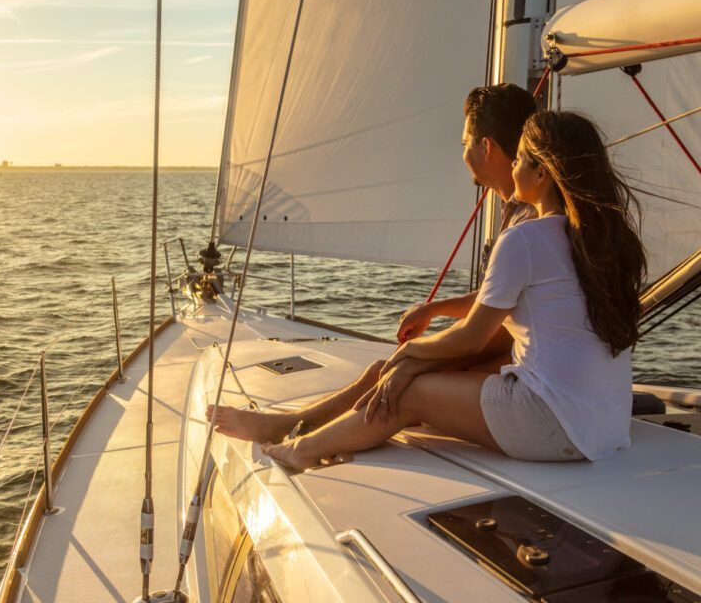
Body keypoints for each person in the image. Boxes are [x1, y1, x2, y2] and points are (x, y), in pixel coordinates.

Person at [258, 111, 646, 468]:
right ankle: (312, 434)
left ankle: (299, 450)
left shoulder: (526, 239)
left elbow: (473, 338)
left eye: (520, 158)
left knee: (410, 392)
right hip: (608, 428)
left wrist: (409, 353)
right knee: (417, 379)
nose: (512, 166)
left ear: (541, 172)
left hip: (551, 425)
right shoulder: (604, 242)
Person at [207, 83, 537, 445]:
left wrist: (419, 355)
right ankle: (297, 426)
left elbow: (490, 334)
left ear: (486, 147)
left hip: (512, 368)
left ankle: (295, 434)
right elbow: (499, 295)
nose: (462, 155)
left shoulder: (526, 226)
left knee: (390, 371)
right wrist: (435, 309)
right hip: (507, 360)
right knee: (386, 369)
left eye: (464, 144)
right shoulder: (523, 215)